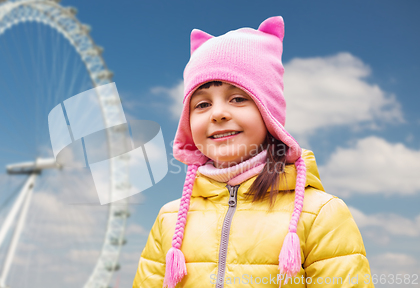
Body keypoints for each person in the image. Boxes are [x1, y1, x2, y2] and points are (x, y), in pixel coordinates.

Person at [132, 16, 373, 288]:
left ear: (269, 113)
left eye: (238, 98)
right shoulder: (170, 219)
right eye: (201, 104)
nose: (218, 113)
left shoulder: (320, 213)